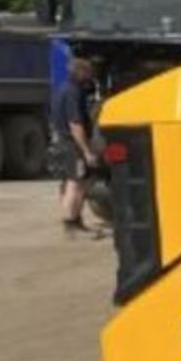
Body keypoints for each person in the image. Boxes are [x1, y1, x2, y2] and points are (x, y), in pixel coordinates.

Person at [50, 56, 103, 238]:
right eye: (88, 72)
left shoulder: (62, 89)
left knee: (70, 183)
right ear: (80, 72)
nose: (90, 77)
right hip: (73, 144)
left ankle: (75, 222)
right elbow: (75, 124)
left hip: (63, 142)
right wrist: (87, 151)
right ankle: (71, 225)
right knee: (76, 183)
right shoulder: (74, 93)